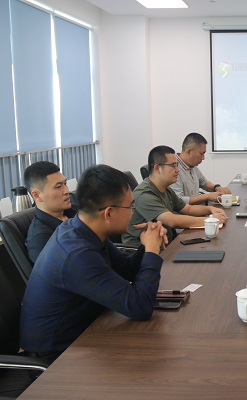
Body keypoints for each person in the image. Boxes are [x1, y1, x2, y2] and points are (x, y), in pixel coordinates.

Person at [20, 165, 167, 363]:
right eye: (130, 207)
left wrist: (148, 244)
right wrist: (151, 250)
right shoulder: (76, 254)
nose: (133, 213)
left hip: (88, 330)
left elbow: (126, 270)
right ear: (108, 213)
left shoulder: (82, 228)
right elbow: (140, 307)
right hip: (59, 357)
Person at [123, 145, 227, 246]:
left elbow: (188, 209)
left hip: (166, 243)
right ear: (158, 168)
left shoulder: (166, 189)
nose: (177, 170)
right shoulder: (144, 195)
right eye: (173, 166)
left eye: (177, 165)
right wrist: (210, 221)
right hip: (143, 250)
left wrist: (211, 209)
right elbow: (172, 220)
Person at [24, 161, 77, 263]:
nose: (67, 191)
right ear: (37, 195)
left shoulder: (76, 211)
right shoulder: (40, 239)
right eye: (58, 187)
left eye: (65, 184)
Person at [171, 132, 231, 205]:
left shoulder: (192, 166)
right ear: (189, 151)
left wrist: (217, 188)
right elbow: (179, 201)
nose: (203, 158)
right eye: (201, 154)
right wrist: (207, 196)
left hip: (196, 208)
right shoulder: (173, 169)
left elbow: (204, 183)